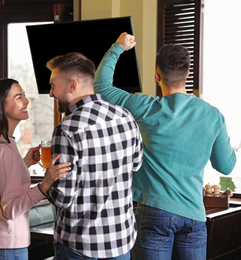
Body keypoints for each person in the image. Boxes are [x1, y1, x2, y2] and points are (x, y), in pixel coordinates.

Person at [94, 33, 237, 260]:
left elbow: (101, 87)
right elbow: (226, 166)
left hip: (154, 213)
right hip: (194, 217)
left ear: (156, 75)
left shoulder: (145, 107)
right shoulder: (213, 115)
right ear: (187, 74)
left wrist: (118, 47)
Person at [45, 52, 143, 260]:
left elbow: (63, 197)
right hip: (120, 242)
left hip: (79, 244)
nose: (51, 93)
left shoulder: (67, 129)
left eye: (53, 86)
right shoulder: (125, 117)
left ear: (72, 86)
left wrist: (48, 181)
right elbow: (136, 164)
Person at [0, 78, 71, 260]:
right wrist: (46, 184)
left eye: (24, 95)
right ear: (1, 107)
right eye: (19, 97)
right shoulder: (3, 149)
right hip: (5, 243)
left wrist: (23, 163)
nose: (26, 101)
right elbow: (10, 210)